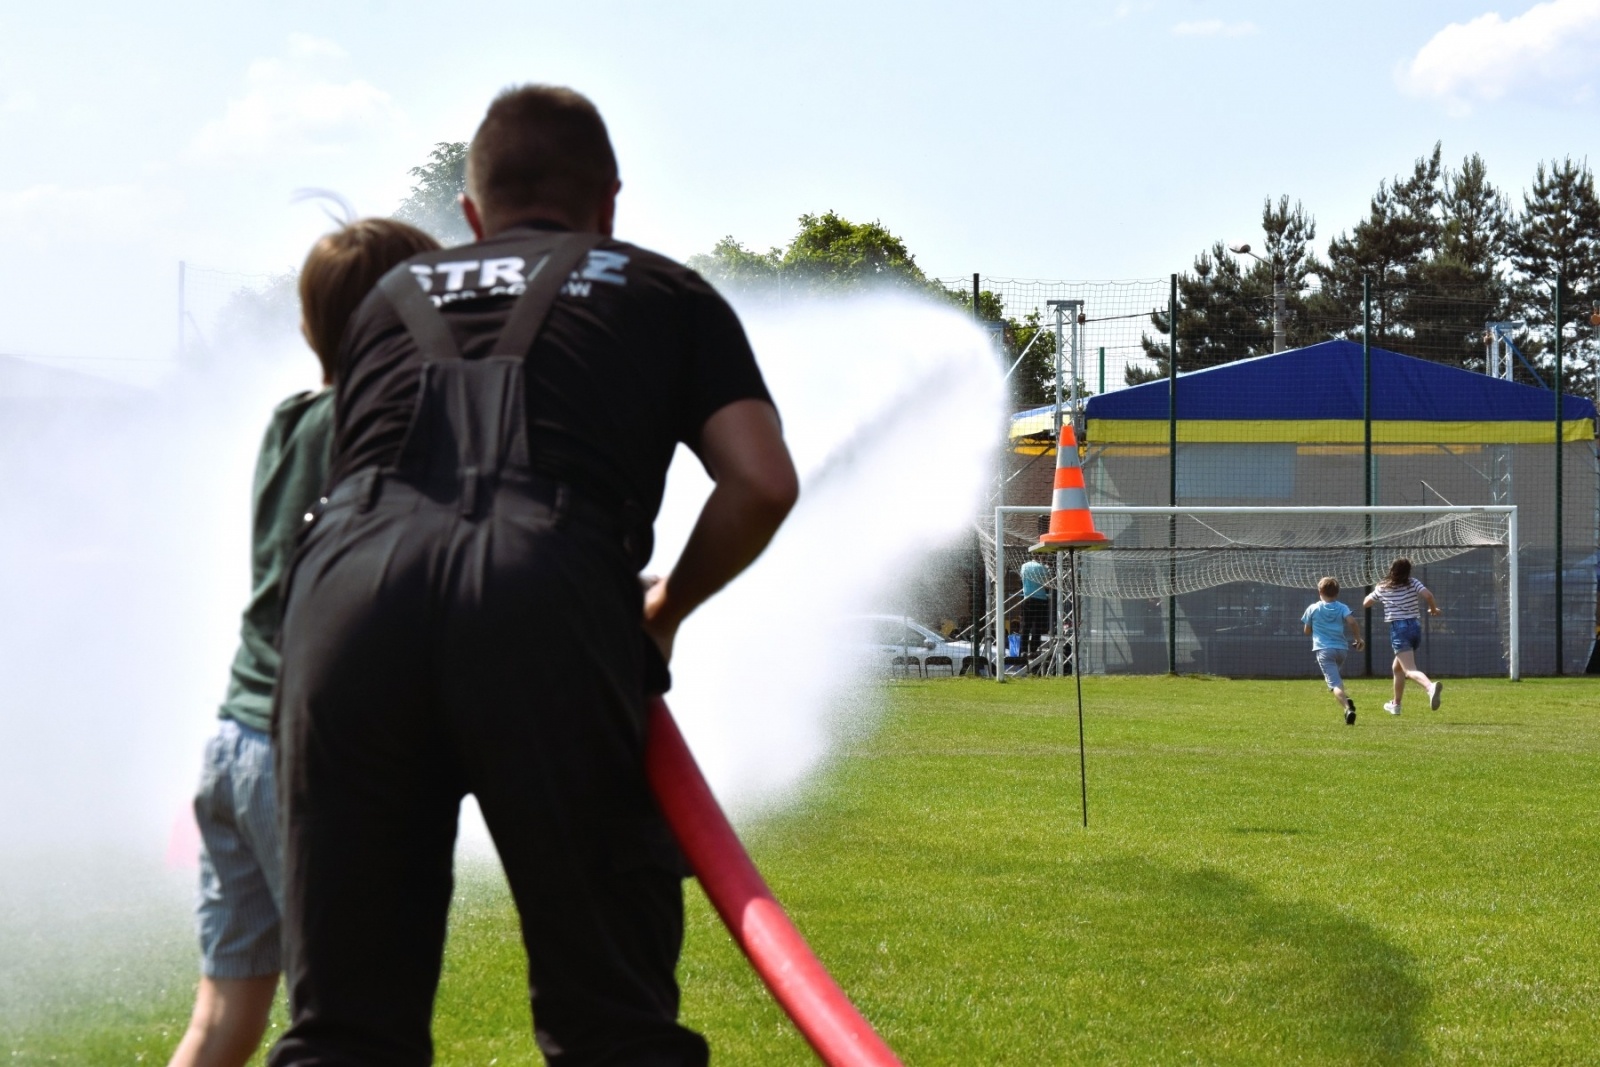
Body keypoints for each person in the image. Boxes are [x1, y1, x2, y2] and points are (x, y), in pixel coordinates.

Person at [268, 85, 798, 1067]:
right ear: (608, 201)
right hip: (542, 595)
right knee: (611, 1024)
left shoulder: (391, 300)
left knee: (345, 1032)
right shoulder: (662, 292)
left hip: (348, 603)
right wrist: (665, 610)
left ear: (471, 214)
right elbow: (761, 482)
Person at [168, 218, 441, 1067]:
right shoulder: (372, 429)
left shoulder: (291, 421)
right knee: (347, 1023)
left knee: (221, 1018)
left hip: (232, 743)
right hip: (302, 758)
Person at [1363, 557, 1443, 716]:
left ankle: (1429, 687)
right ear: (1408, 572)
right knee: (1397, 668)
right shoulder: (1413, 583)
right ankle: (1396, 705)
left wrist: (1379, 593)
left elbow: (1366, 603)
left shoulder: (1384, 586)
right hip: (1415, 627)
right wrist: (1433, 610)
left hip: (1399, 629)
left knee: (1409, 670)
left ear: (1391, 570)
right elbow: (1428, 595)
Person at [1300, 576, 1365, 726]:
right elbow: (1352, 622)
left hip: (1324, 650)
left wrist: (1314, 626)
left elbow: (1307, 631)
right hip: (1341, 650)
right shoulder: (1342, 607)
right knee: (1336, 680)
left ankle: (1348, 709)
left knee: (1334, 684)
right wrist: (1358, 638)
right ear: (1337, 593)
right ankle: (1346, 698)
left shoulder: (1313, 608)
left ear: (1319, 591)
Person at [1018, 554, 1051, 664]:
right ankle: (1034, 650)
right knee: (1037, 626)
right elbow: (1047, 584)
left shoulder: (1024, 566)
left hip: (1027, 598)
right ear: (1041, 557)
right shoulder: (1044, 568)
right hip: (1040, 599)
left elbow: (1022, 579)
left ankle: (1022, 650)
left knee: (1025, 625)